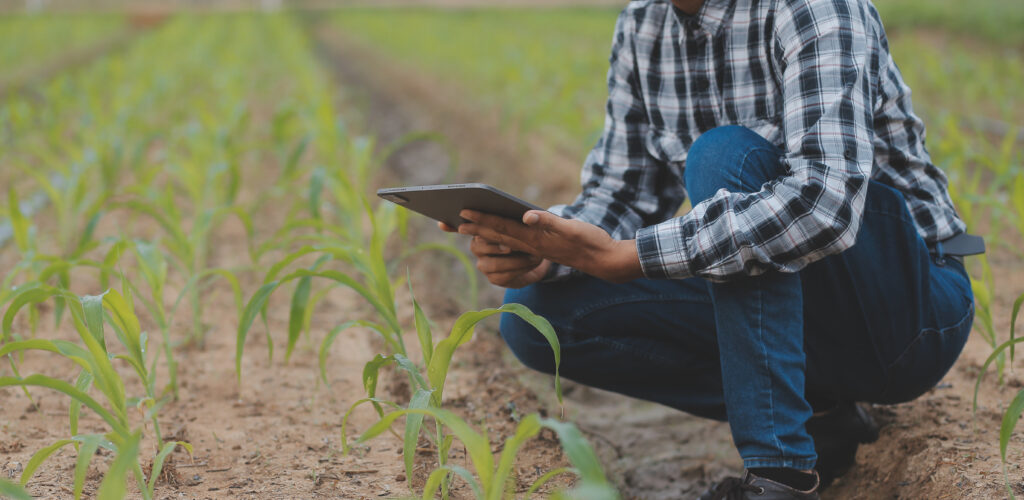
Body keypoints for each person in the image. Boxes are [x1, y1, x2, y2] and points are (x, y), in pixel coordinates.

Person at [441, 0, 976, 498]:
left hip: (907, 313)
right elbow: (622, 190)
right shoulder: (642, 25)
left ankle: (778, 471)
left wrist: (632, 257)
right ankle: (820, 413)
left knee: (726, 156)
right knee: (538, 318)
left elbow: (823, 206)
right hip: (804, 318)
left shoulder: (811, 8)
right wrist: (545, 245)